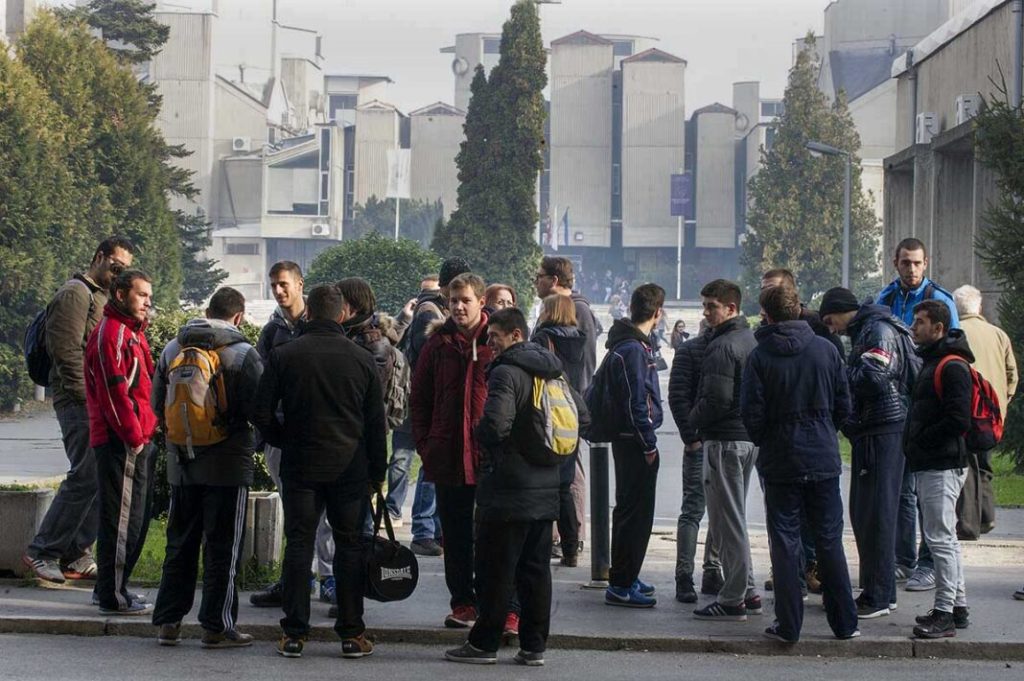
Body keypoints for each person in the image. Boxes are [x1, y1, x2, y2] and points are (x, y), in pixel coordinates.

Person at [445, 308, 589, 665]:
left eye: (495, 336)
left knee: (495, 570)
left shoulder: (506, 372)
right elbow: (583, 416)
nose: (490, 343)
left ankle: (484, 644)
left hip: (508, 490)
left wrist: (480, 434)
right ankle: (534, 646)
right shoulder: (554, 371)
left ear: (516, 335)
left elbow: (496, 425)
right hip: (546, 488)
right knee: (535, 572)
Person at [254, 284, 387, 659]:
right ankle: (352, 633)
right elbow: (375, 425)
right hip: (350, 467)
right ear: (342, 314)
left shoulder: (284, 355)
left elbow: (260, 411)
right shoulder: (361, 359)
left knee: (299, 544)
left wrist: (283, 438)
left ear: (309, 312)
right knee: (349, 547)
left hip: (300, 465)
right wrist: (377, 473)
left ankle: (294, 633)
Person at [740, 284, 859, 642]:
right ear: (798, 310)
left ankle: (789, 624)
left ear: (766, 315)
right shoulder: (826, 349)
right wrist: (823, 430)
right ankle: (845, 622)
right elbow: (844, 404)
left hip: (780, 459)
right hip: (821, 455)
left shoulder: (760, 357)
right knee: (829, 539)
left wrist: (769, 439)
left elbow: (752, 413)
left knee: (785, 542)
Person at [150, 287, 264, 648]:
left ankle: (168, 622)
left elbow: (157, 404)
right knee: (223, 548)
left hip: (182, 462)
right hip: (228, 466)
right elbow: (259, 409)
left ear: (207, 311)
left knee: (179, 543)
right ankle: (217, 627)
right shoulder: (243, 353)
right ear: (238, 317)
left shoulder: (173, 348)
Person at [23, 236, 134, 584]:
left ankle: (76, 552)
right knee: (85, 473)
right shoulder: (75, 293)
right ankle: (43, 551)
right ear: (99, 257)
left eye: (125, 271)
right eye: (115, 266)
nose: (119, 274)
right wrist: (86, 399)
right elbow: (66, 352)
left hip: (97, 400)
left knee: (100, 474)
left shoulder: (102, 297)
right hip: (77, 399)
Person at [820, 287, 918, 619]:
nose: (831, 328)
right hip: (877, 427)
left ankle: (878, 595)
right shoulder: (871, 328)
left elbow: (874, 377)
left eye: (830, 320)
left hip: (882, 428)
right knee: (868, 513)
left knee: (875, 514)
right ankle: (880, 591)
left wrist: (839, 375)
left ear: (841, 310)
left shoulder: (877, 330)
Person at [411, 273, 500, 629]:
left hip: (490, 459)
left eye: (466, 300)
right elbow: (419, 399)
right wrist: (426, 445)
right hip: (448, 457)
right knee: (456, 536)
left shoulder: (496, 341)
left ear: (481, 301)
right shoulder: (437, 344)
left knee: (494, 537)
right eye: (453, 301)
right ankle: (463, 603)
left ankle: (499, 605)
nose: (459, 307)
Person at [877, 238, 959, 591]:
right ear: (895, 262)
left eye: (917, 263)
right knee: (903, 489)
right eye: (905, 262)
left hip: (929, 400)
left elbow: (954, 349)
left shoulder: (940, 300)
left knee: (928, 492)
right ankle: (903, 559)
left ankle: (928, 563)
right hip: (899, 403)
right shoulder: (885, 298)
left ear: (926, 264)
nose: (911, 269)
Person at [250, 261, 333, 607]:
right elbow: (260, 385)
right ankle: (296, 579)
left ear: (300, 284)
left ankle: (329, 577)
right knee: (294, 512)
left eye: (284, 284)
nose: (279, 291)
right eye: (273, 285)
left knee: (325, 513)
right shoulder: (272, 331)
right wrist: (270, 434)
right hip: (283, 435)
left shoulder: (321, 325)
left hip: (319, 434)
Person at [759, 268, 841, 595]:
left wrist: (825, 425)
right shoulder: (763, 338)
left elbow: (840, 393)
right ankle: (792, 575)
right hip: (787, 445)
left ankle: (810, 571)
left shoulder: (817, 332)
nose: (765, 295)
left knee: (813, 523)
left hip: (807, 442)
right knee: (784, 523)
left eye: (771, 290)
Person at [85, 269, 157, 615]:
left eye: (149, 296)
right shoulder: (111, 334)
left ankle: (113, 588)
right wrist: (135, 437)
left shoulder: (130, 332)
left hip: (135, 438)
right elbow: (114, 395)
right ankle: (112, 595)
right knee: (121, 518)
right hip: (121, 441)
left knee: (134, 517)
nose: (147, 302)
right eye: (141, 295)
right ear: (120, 294)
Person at [690, 280, 759, 621]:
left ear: (730, 308)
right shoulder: (750, 340)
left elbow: (716, 400)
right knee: (735, 518)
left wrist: (692, 421)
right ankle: (747, 590)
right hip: (745, 439)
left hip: (724, 440)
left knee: (726, 522)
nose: (705, 313)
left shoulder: (722, 345)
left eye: (711, 306)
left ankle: (733, 599)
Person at [393, 259, 471, 557]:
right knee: (427, 465)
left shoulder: (441, 310)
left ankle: (435, 530)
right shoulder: (430, 311)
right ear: (447, 286)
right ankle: (423, 531)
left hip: (439, 401)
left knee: (434, 466)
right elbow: (428, 360)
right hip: (430, 402)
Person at [905, 300, 972, 638]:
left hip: (941, 464)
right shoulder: (935, 361)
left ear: (939, 328)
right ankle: (957, 607)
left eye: (920, 322)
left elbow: (958, 419)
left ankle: (944, 614)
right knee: (945, 539)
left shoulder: (951, 366)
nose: (914, 327)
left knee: (939, 540)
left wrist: (922, 440)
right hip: (934, 463)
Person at [599, 284, 665, 608]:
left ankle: (627, 574)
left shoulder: (626, 345)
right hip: (635, 442)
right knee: (635, 515)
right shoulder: (634, 350)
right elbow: (635, 402)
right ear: (658, 313)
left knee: (629, 511)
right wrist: (649, 444)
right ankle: (622, 583)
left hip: (628, 439)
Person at [534, 256, 601, 560]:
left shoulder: (578, 310)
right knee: (564, 475)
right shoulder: (564, 313)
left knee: (569, 475)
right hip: (567, 405)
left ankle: (573, 536)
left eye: (540, 276)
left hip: (564, 406)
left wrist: (577, 403)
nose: (536, 281)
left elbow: (586, 365)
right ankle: (567, 539)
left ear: (554, 280)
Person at [667, 321, 722, 603]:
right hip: (704, 440)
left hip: (721, 439)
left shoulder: (694, 350)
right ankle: (687, 574)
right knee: (695, 509)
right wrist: (691, 437)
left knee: (717, 511)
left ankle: (708, 571)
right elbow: (678, 396)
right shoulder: (691, 350)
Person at [530, 294, 587, 567]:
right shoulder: (580, 341)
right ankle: (571, 549)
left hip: (548, 412)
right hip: (570, 413)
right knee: (565, 487)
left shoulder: (543, 339)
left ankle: (543, 546)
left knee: (543, 484)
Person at [953, 285, 1017, 414]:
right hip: (995, 409)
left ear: (954, 308)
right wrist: (1004, 397)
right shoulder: (999, 335)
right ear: (980, 308)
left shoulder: (953, 334)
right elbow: (1012, 374)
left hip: (963, 408)